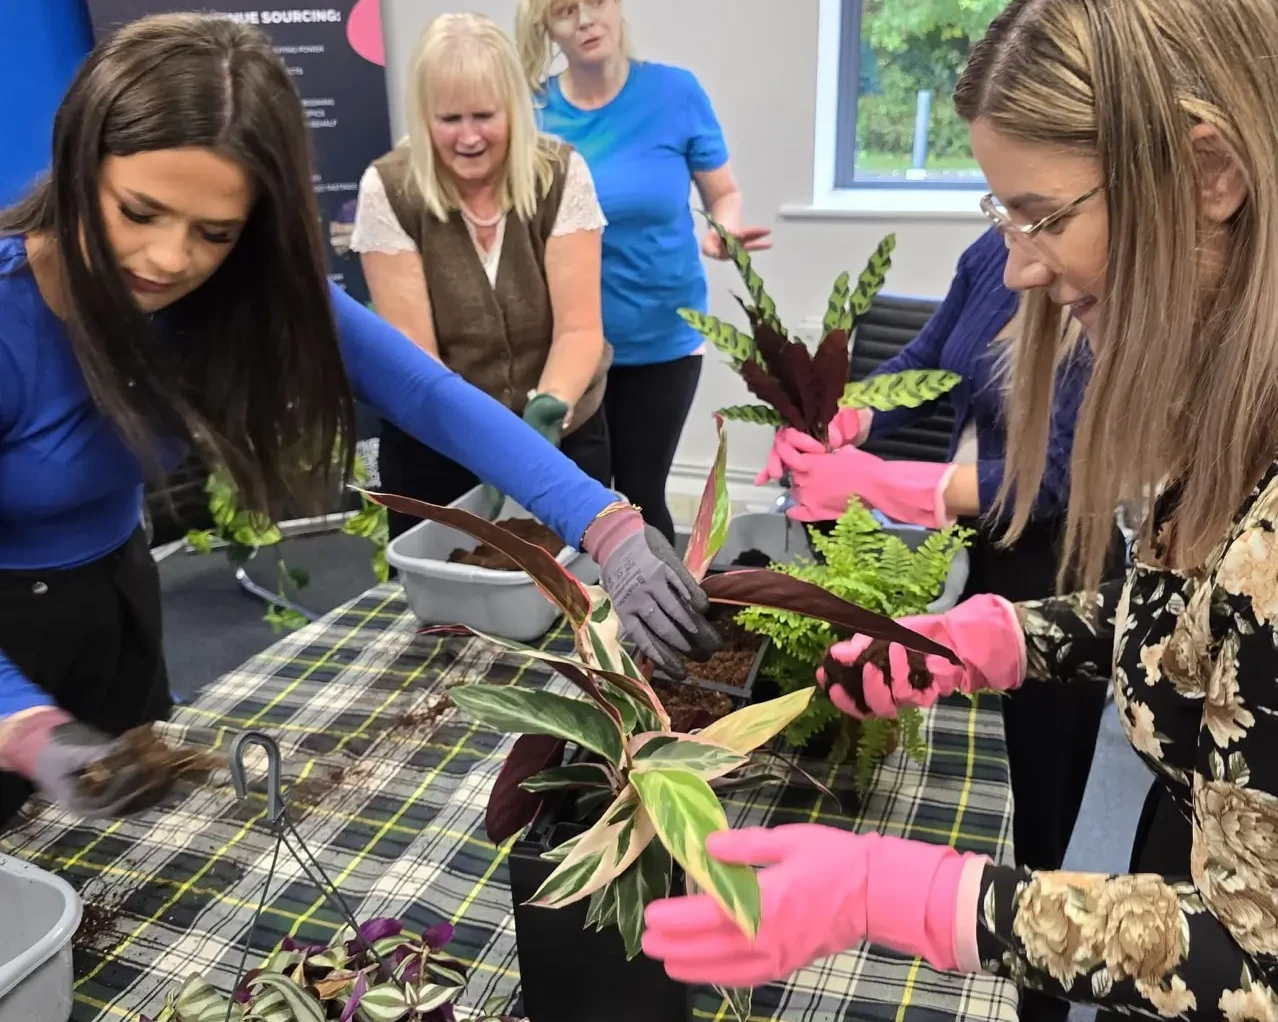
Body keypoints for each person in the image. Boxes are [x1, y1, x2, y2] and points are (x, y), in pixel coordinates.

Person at [643, 0, 1278, 1015]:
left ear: (1210, 176)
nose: (1021, 263)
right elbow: (1202, 629)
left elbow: (1255, 956)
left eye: (1047, 216)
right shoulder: (1222, 432)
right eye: (1006, 217)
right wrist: (998, 638)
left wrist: (906, 893)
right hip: (1192, 820)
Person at [0, 13, 717, 828]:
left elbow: (427, 395)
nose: (170, 259)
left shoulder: (236, 289)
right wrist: (24, 729)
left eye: (215, 232)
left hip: (118, 605)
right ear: (78, 163)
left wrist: (607, 523)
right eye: (139, 212)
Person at [758, 229, 1121, 889]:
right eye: (1001, 208)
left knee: (1043, 778)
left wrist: (881, 483)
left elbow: (1056, 478)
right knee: (978, 738)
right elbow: (930, 361)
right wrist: (842, 418)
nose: (1010, 241)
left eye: (1024, 213)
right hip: (984, 541)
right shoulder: (995, 251)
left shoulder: (1108, 289)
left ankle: (1041, 938)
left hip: (1064, 567)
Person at [514, 0, 771, 544]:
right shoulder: (533, 114)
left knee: (639, 493)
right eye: (565, 12)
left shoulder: (676, 94)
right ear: (547, 27)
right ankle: (577, 620)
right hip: (569, 347)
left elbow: (724, 193)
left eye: (595, 3)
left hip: (663, 340)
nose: (584, 21)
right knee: (577, 503)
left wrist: (722, 232)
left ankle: (659, 623)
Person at [352, 13, 613, 540]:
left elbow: (580, 331)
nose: (468, 137)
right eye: (449, 119)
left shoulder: (559, 174)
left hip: (561, 438)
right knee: (447, 607)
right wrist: (489, 444)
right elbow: (414, 364)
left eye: (484, 116)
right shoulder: (389, 188)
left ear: (513, 110)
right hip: (436, 445)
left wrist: (545, 412)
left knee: (573, 599)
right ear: (423, 117)